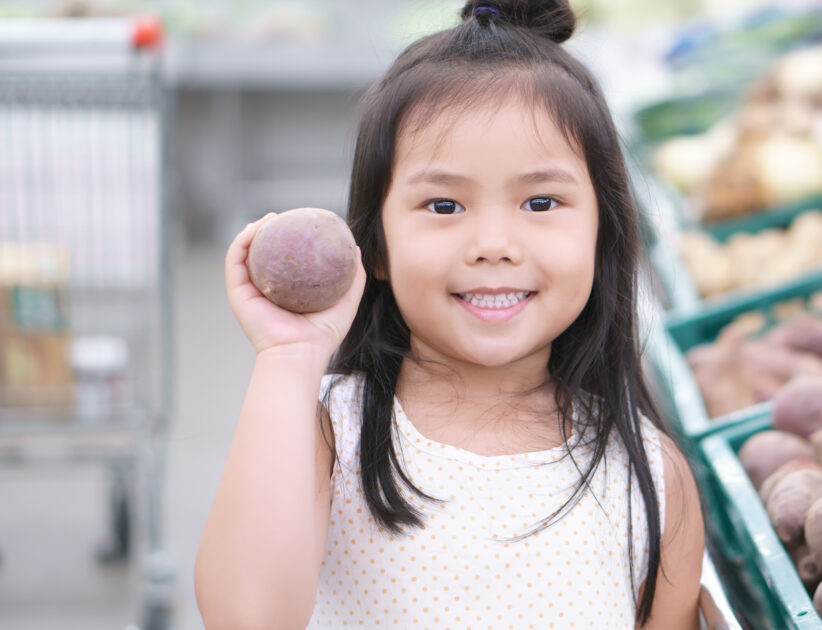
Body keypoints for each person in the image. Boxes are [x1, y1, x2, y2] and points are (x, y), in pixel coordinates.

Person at [194, 1, 706, 628]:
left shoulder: (650, 477)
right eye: (443, 206)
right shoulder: (335, 435)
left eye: (540, 202)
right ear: (375, 245)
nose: (493, 243)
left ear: (603, 237)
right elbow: (246, 617)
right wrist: (287, 358)